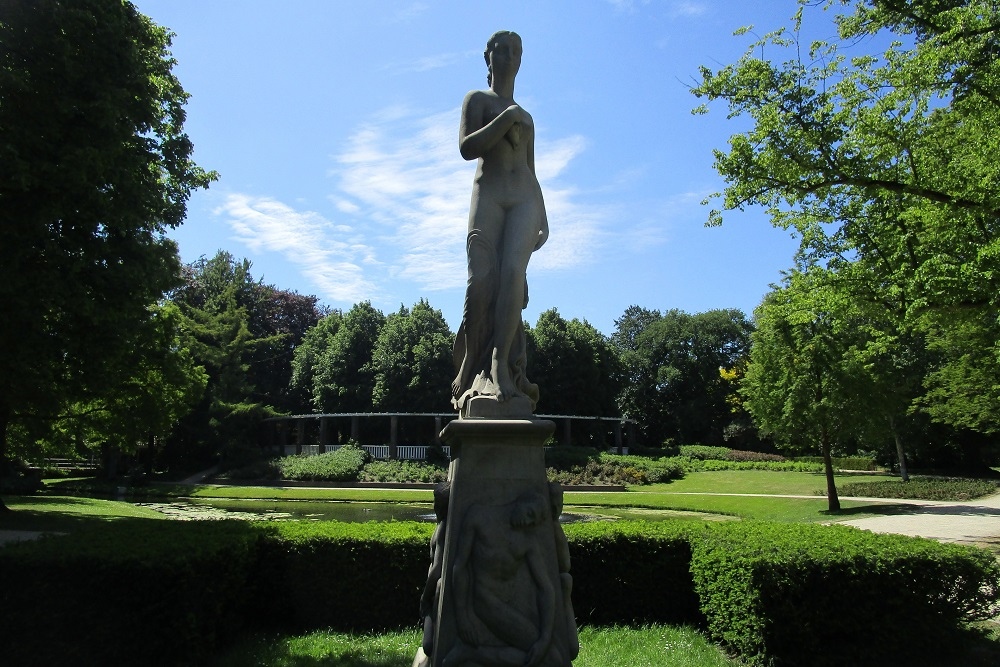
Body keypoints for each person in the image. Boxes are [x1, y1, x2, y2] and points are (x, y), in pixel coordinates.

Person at [452, 30, 549, 414]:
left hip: (524, 200)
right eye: (501, 50)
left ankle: (499, 364)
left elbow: (531, 170)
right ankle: (470, 358)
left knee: (513, 276)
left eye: (516, 51)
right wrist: (506, 116)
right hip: (489, 197)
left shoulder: (528, 118)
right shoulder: (477, 100)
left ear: (521, 60)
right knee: (481, 283)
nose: (509, 56)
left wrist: (544, 215)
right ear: (487, 58)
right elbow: (467, 148)